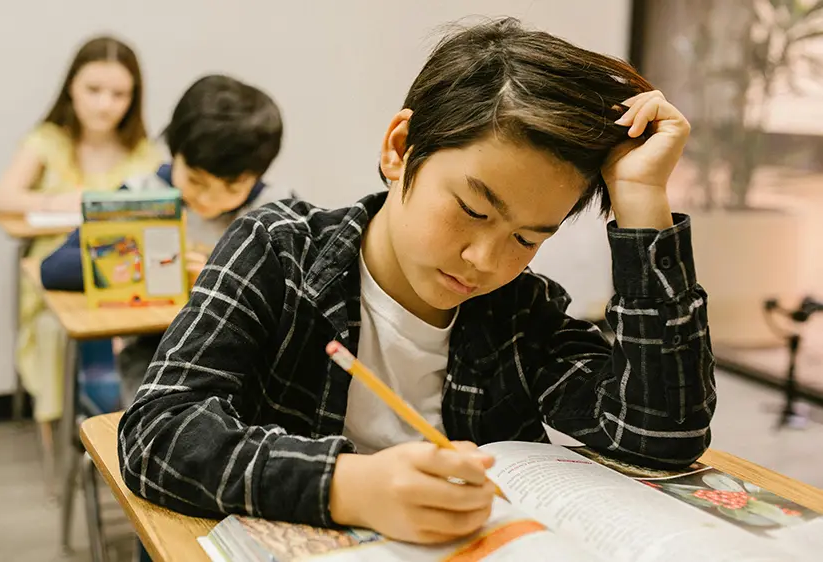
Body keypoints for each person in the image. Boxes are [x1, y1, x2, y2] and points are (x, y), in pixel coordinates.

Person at [119, 18, 715, 546]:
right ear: (400, 149)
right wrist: (346, 485)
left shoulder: (517, 310)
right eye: (474, 210)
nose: (485, 258)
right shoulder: (279, 252)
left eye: (529, 238)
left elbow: (660, 433)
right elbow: (158, 433)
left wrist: (641, 198)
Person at [39, 74, 286, 406]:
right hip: (155, 353)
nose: (209, 200)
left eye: (231, 188)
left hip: (247, 355)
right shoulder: (142, 197)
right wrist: (158, 263)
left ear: (258, 175)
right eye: (196, 180)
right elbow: (54, 268)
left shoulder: (272, 211)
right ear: (174, 152)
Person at [0, 36, 159, 425]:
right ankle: (60, 452)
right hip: (56, 281)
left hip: (124, 283)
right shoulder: (48, 142)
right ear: (71, 88)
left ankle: (123, 437)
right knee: (53, 333)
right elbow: (0, 199)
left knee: (138, 341)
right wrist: (60, 203)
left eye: (118, 94)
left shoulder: (144, 153)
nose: (104, 104)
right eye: (93, 90)